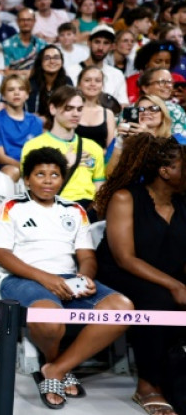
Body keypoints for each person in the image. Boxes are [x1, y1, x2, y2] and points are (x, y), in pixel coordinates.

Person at [0, 147, 133, 409]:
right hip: (22, 278)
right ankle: (53, 363)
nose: (48, 180)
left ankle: (56, 369)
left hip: (67, 278)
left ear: (62, 179)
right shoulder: (11, 207)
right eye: (40, 174)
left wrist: (85, 277)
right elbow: (1, 255)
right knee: (49, 317)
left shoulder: (75, 209)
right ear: (27, 179)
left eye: (54, 174)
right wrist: (46, 279)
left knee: (122, 308)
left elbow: (87, 256)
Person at [93, 134, 186, 415]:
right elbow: (125, 258)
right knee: (159, 301)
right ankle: (147, 385)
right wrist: (175, 285)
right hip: (120, 273)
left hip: (165, 272)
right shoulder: (126, 198)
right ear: (165, 171)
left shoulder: (183, 202)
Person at [21, 86, 105, 211]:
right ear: (53, 109)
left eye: (79, 109)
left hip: (87, 211)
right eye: (68, 108)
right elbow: (31, 187)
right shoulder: (34, 146)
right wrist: (64, 165)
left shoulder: (93, 147)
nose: (75, 114)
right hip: (52, 208)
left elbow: (99, 184)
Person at [0, 74, 44, 181]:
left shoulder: (36, 122)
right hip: (5, 167)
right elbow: (0, 157)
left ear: (27, 95)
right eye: (11, 90)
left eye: (21, 89)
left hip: (31, 167)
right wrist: (24, 168)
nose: (16, 93)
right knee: (13, 171)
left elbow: (37, 154)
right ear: (3, 96)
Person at [65, 25, 129, 107]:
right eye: (97, 42)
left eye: (106, 43)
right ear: (89, 43)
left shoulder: (117, 75)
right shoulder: (71, 71)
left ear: (112, 46)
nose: (100, 48)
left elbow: (123, 104)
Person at [75, 66, 116, 151]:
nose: (92, 84)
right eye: (87, 80)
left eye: (97, 81)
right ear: (79, 84)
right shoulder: (72, 110)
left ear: (102, 85)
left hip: (101, 158)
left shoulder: (108, 114)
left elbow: (110, 148)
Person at [26, 45, 73, 117]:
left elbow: (69, 110)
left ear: (62, 62)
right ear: (41, 62)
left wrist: (47, 119)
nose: (52, 61)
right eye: (47, 58)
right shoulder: (31, 83)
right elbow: (30, 113)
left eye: (56, 57)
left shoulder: (67, 82)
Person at [2, 8, 46, 74]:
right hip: (14, 79)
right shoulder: (6, 45)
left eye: (29, 20)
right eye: (22, 20)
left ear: (34, 21)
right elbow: (4, 72)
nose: (25, 23)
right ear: (17, 21)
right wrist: (26, 73)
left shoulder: (42, 44)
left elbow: (46, 69)